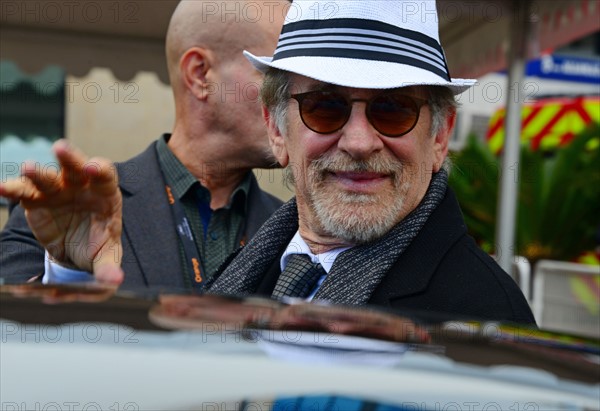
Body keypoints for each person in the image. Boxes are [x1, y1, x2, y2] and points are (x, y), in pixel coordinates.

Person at [208, 0, 536, 324]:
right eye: (325, 107)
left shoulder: (488, 318)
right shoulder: (243, 271)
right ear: (277, 130)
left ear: (439, 137)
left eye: (393, 109)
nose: (359, 143)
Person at [0, 0, 288, 289]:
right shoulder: (67, 213)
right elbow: (12, 326)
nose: (295, 99)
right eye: (277, 76)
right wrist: (70, 272)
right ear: (199, 73)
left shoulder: (300, 232)